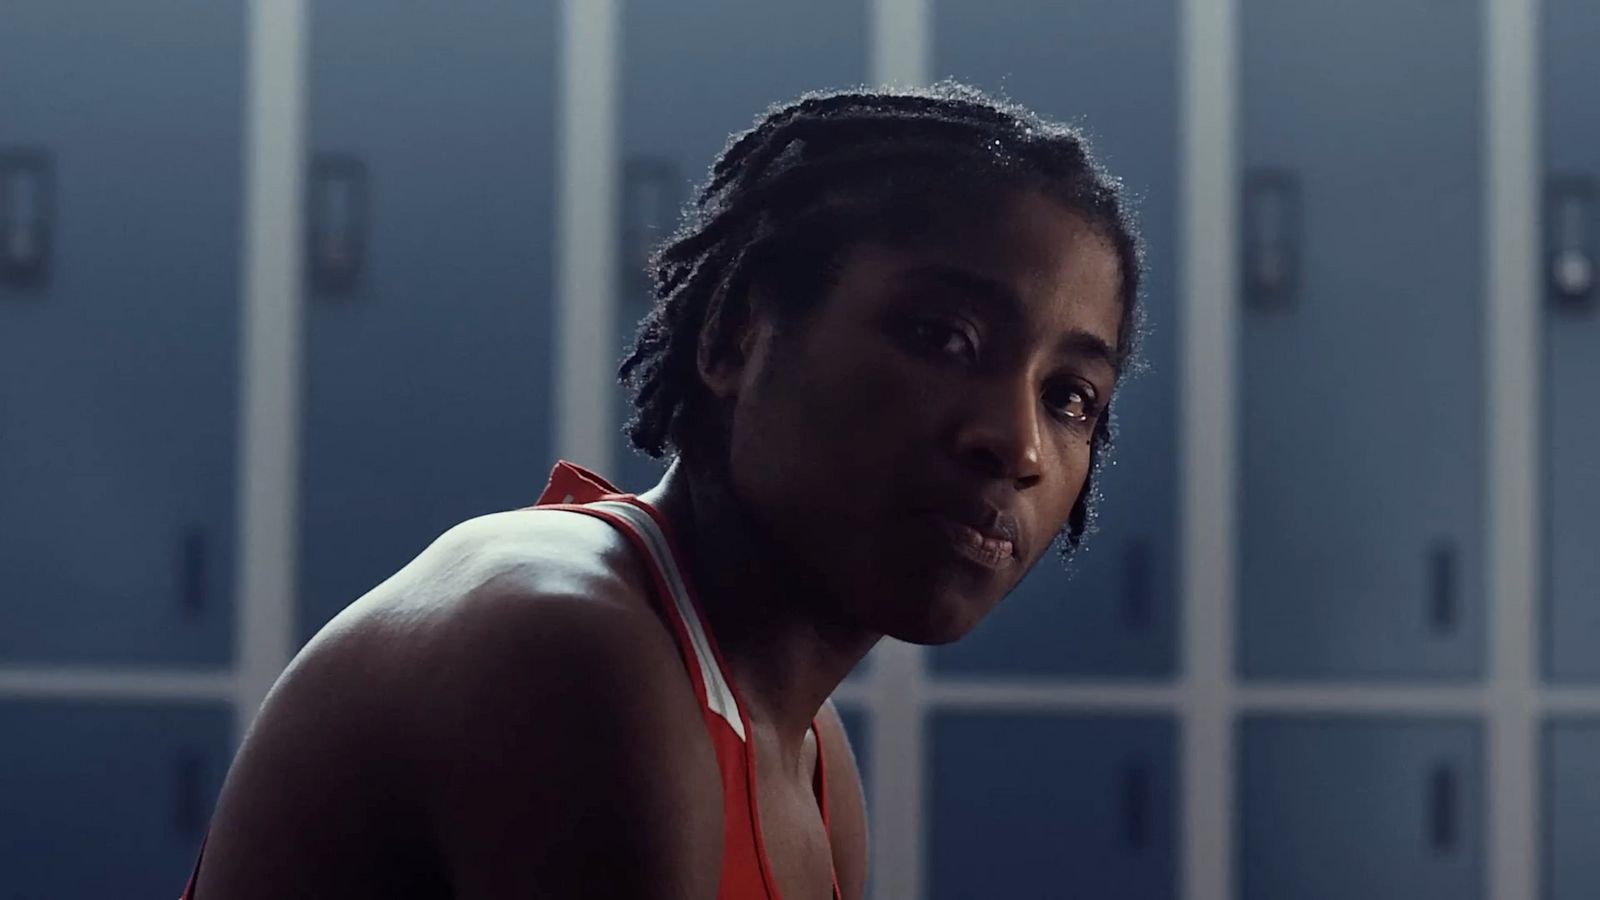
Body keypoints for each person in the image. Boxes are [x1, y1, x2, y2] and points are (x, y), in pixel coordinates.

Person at [180, 81, 1143, 900]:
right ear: (732, 337)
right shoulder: (563, 643)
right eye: (942, 337)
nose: (1014, 443)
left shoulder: (806, 751)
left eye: (1070, 398)